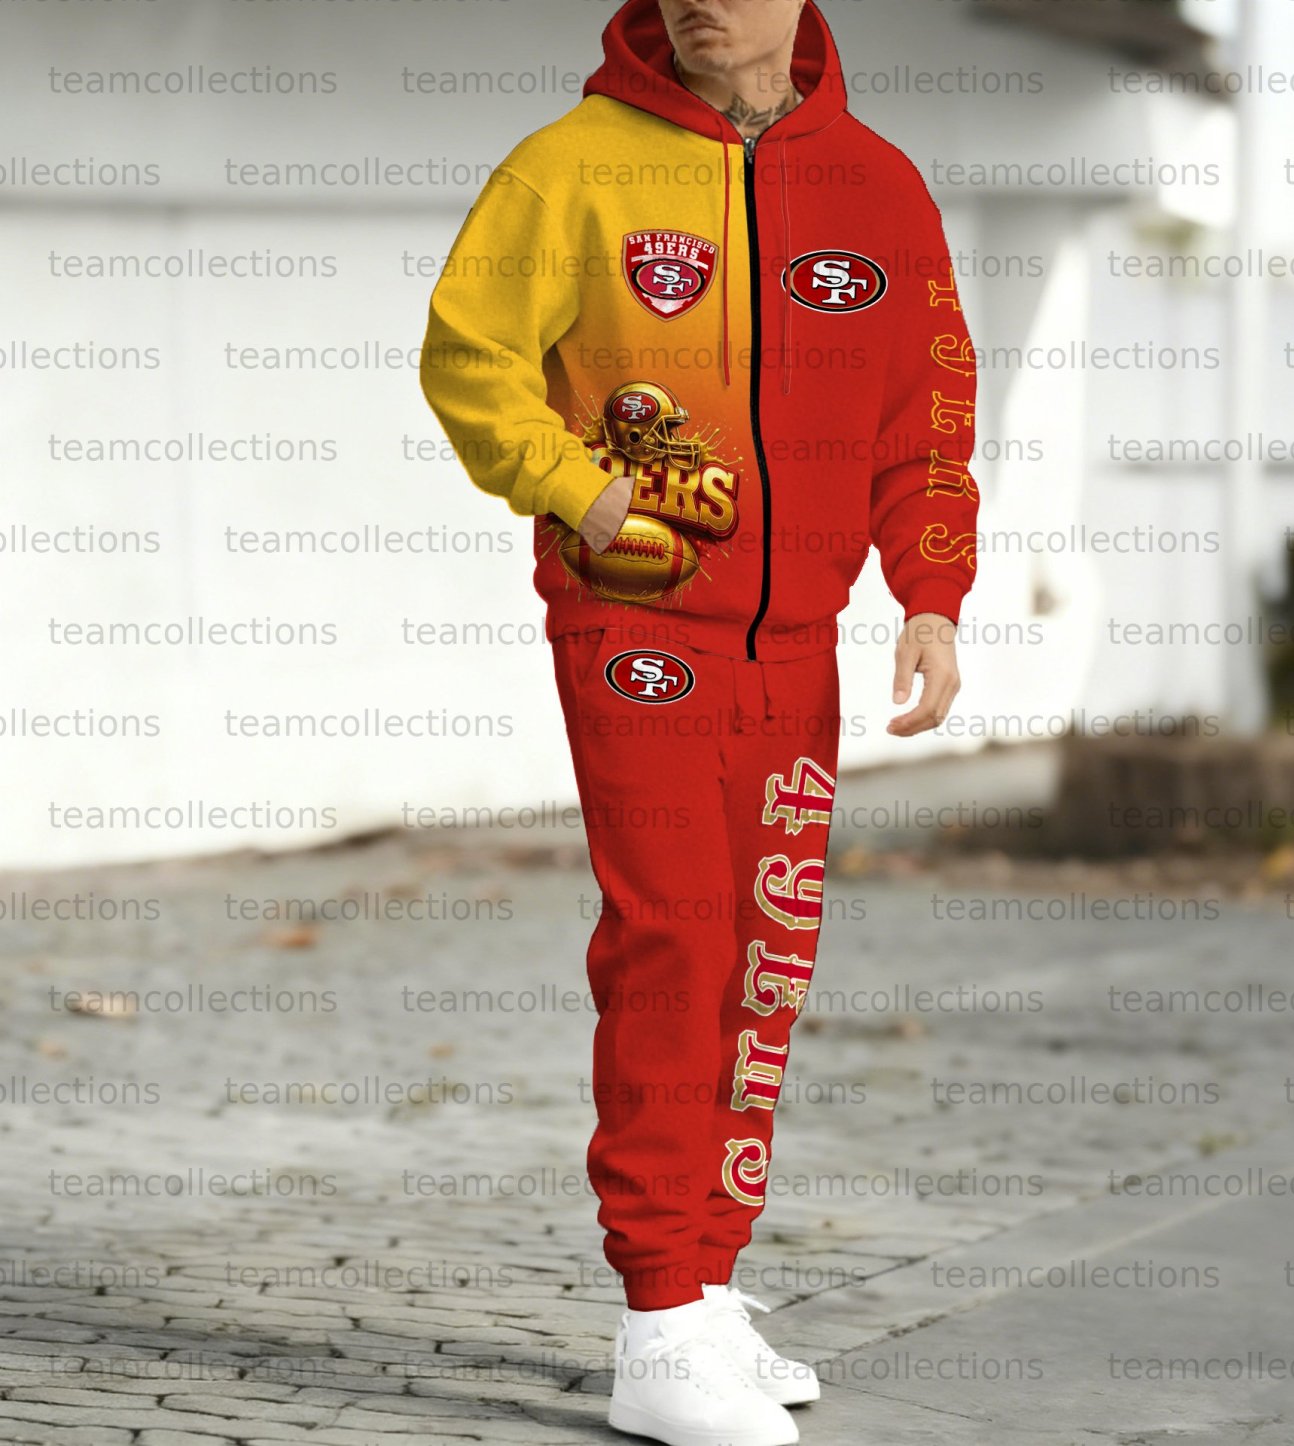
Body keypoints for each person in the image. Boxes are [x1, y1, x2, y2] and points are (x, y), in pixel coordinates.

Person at [420, 2, 979, 1441]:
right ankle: (658, 1316)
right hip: (636, 623)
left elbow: (925, 413)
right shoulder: (570, 167)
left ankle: (709, 1285)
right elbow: (468, 355)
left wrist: (929, 592)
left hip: (795, 646)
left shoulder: (879, 187)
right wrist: (578, 490)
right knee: (672, 935)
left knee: (762, 956)